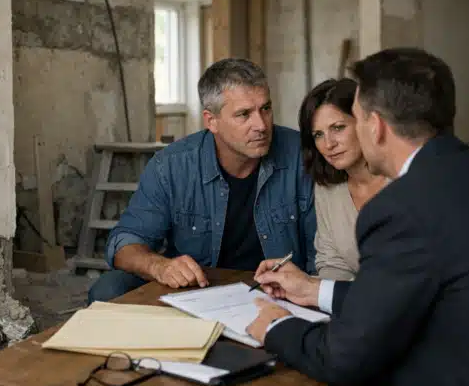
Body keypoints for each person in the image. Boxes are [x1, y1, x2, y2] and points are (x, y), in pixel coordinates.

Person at [247, 47, 469, 386]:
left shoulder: (402, 208)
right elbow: (410, 293)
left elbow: (343, 356)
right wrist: (314, 290)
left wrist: (276, 327)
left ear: (375, 126)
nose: (330, 143)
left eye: (351, 120)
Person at [88, 57, 317, 304]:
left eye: (266, 108)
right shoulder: (171, 166)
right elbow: (124, 242)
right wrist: (160, 266)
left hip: (278, 292)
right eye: (244, 114)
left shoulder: (301, 156)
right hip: (197, 291)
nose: (261, 125)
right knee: (109, 289)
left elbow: (322, 255)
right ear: (211, 121)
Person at [298, 78, 387, 280]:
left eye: (338, 128)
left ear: (366, 123)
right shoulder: (327, 188)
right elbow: (332, 263)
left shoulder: (403, 178)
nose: (328, 144)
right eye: (318, 134)